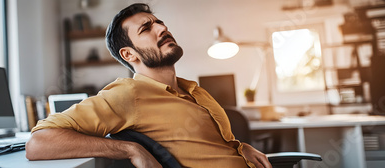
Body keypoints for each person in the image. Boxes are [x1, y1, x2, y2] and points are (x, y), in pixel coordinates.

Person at [25, 3, 271, 168]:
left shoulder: (194, 89)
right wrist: (130, 149)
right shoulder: (129, 94)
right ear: (129, 54)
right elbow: (39, 143)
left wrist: (241, 148)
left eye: (159, 23)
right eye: (147, 29)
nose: (162, 28)